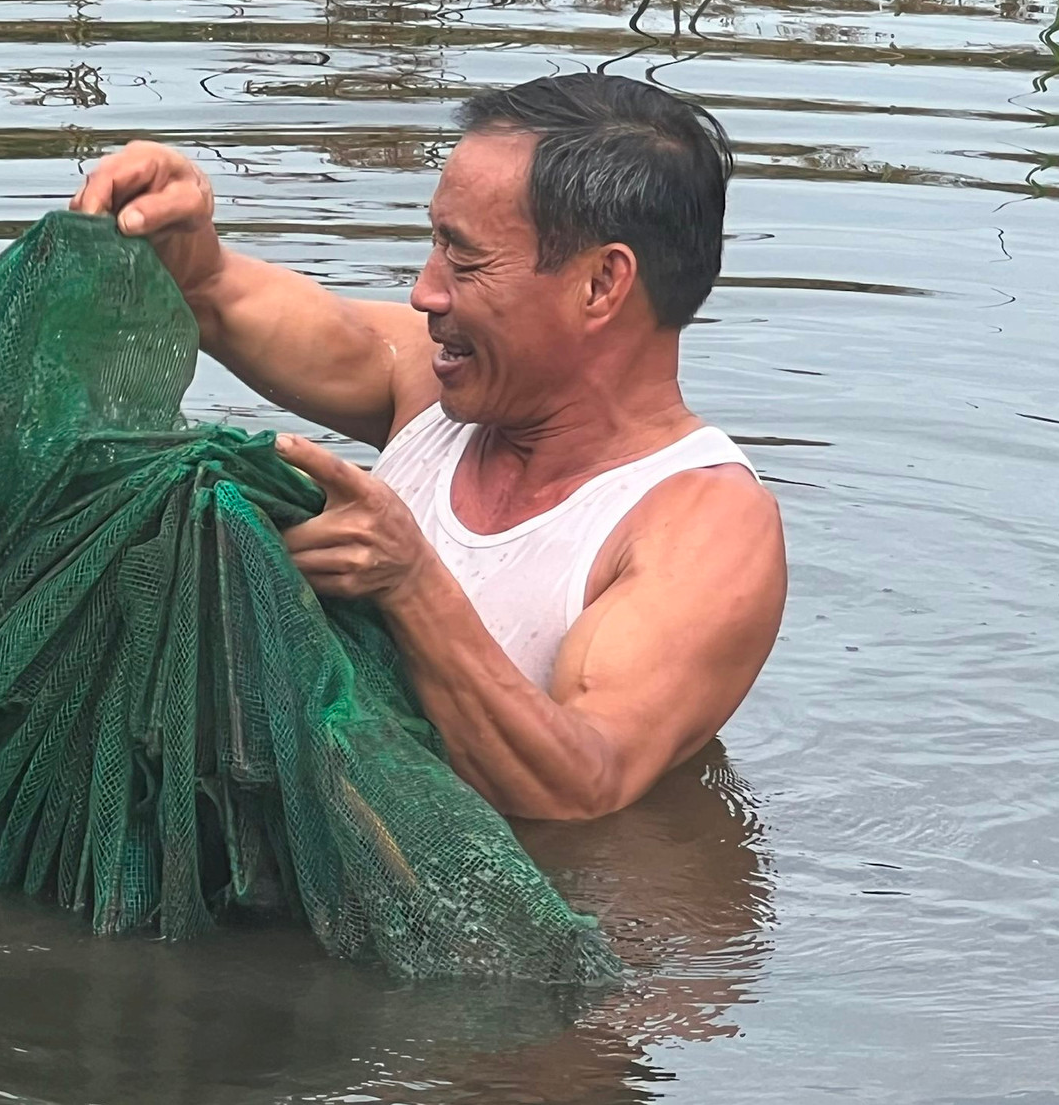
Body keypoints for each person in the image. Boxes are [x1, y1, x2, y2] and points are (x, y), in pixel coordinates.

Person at [70, 73, 787, 822]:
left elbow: (580, 784)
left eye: (465, 260)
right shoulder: (431, 376)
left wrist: (410, 583)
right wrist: (179, 246)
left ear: (601, 283)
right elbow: (216, 292)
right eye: (434, 240)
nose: (425, 293)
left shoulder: (704, 527)